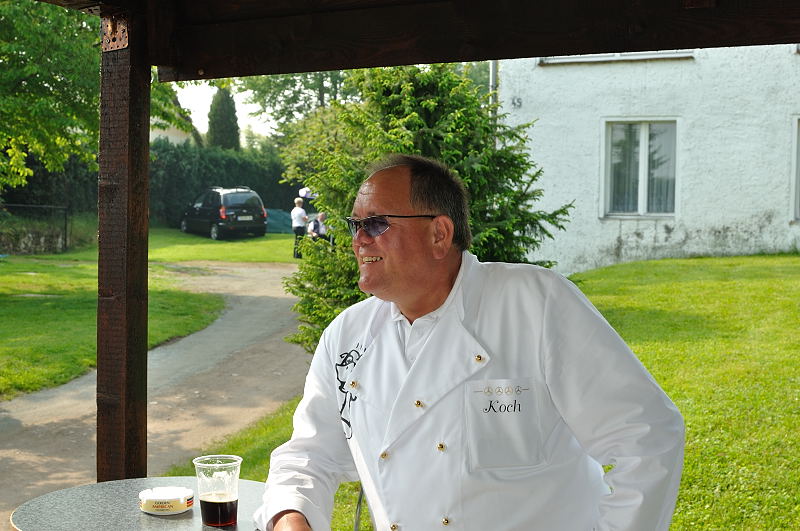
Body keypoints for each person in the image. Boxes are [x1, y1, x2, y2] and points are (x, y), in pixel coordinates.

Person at [255, 154, 685, 531]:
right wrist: (290, 517)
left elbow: (646, 437)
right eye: (355, 225)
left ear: (439, 233)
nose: (358, 239)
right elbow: (310, 453)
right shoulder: (348, 335)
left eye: (376, 223)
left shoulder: (535, 304)